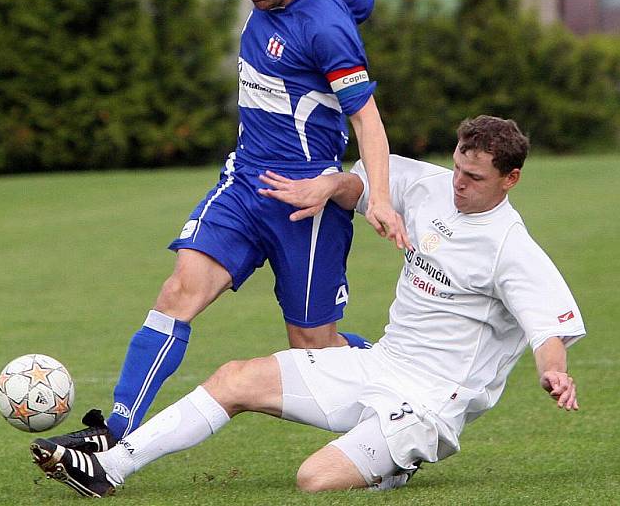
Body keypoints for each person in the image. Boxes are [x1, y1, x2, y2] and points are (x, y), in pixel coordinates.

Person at [31, 115, 586, 496]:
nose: (459, 184)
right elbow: (361, 182)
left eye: (475, 177)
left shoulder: (514, 249)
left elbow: (547, 331)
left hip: (429, 404)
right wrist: (329, 187)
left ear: (510, 179)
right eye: (459, 168)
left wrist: (553, 375)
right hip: (379, 364)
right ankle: (109, 468)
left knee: (314, 479)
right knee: (234, 378)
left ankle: (397, 464)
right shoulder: (429, 186)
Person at [44, 0, 408, 453]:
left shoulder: (326, 26)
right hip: (242, 187)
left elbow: (368, 120)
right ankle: (112, 434)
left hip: (304, 205)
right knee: (177, 292)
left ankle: (395, 384)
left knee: (316, 348)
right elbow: (368, 2)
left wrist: (378, 197)